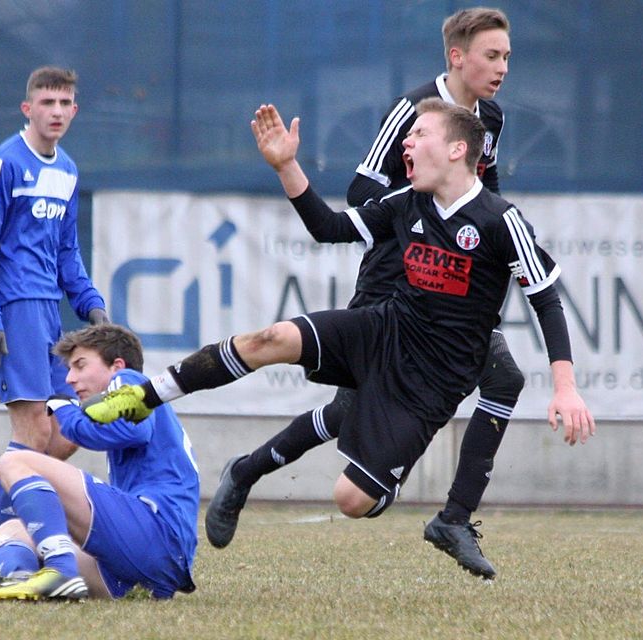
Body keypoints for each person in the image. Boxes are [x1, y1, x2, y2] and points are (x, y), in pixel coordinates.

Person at [82, 101, 595, 571]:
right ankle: (144, 396)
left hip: (430, 381)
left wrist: (565, 387)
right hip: (383, 329)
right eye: (408, 135)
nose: (406, 143)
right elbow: (327, 227)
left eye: (419, 134)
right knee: (270, 338)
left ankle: (441, 514)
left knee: (352, 501)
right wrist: (286, 166)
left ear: (459, 149)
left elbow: (546, 300)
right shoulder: (406, 201)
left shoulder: (500, 221)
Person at [202, 7, 521, 581]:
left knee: (503, 377)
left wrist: (479, 234)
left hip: (452, 284)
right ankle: (245, 473)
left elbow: (484, 183)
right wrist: (420, 209)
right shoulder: (413, 111)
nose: (501, 67)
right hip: (394, 279)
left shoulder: (488, 118)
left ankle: (453, 518)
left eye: (505, 57)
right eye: (492, 55)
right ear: (457, 57)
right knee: (354, 403)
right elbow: (359, 190)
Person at [0, 66, 109, 568]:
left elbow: (67, 251)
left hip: (50, 315)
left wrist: (90, 303)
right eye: (46, 103)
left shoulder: (69, 170)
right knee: (33, 435)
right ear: (27, 108)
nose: (56, 112)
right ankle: (10, 538)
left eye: (65, 103)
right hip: (14, 311)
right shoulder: (4, 163)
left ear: (74, 111)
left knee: (69, 431)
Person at [0, 324, 199, 601]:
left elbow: (132, 429)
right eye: (69, 368)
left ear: (116, 365)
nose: (69, 378)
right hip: (142, 567)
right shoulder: (128, 398)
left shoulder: (129, 378)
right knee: (11, 530)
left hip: (156, 536)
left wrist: (66, 411)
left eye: (80, 365)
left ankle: (60, 570)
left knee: (14, 460)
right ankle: (20, 580)